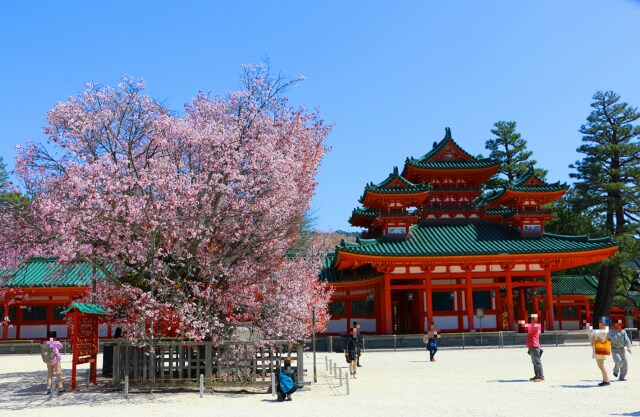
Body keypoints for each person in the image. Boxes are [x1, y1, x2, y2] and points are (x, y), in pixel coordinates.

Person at [587, 318, 611, 386]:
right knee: (602, 365)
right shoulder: (605, 331)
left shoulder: (598, 331)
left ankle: (606, 380)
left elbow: (592, 336)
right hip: (602, 349)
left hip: (598, 349)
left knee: (601, 366)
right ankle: (605, 380)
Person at [521, 314, 544, 382]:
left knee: (537, 362)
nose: (532, 320)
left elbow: (524, 327)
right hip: (532, 346)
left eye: (534, 319)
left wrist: (522, 322)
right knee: (534, 362)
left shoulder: (536, 326)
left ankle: (541, 376)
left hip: (534, 346)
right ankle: (537, 375)